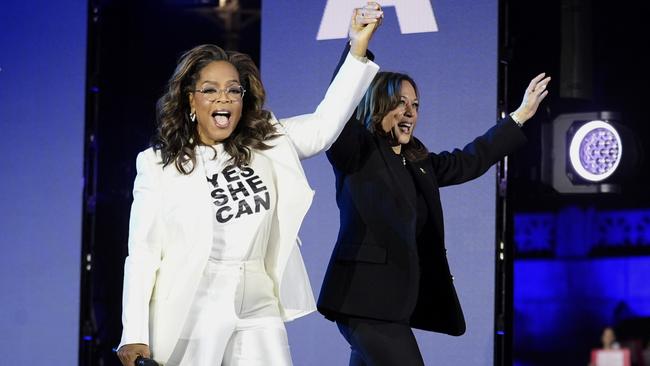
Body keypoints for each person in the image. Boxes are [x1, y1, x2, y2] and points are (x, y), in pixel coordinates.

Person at [116, 3, 384, 365]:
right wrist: (133, 335)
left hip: (259, 300)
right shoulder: (158, 166)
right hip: (196, 303)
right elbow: (143, 253)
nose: (224, 97)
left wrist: (356, 50)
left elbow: (324, 126)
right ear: (190, 100)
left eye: (233, 90)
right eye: (210, 90)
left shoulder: (267, 142)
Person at [317, 69, 550, 365]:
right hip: (363, 304)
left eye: (415, 105)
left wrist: (518, 116)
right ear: (378, 104)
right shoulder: (356, 150)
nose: (410, 112)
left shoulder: (418, 162)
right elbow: (337, 108)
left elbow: (469, 161)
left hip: (392, 309)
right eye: (401, 103)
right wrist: (357, 47)